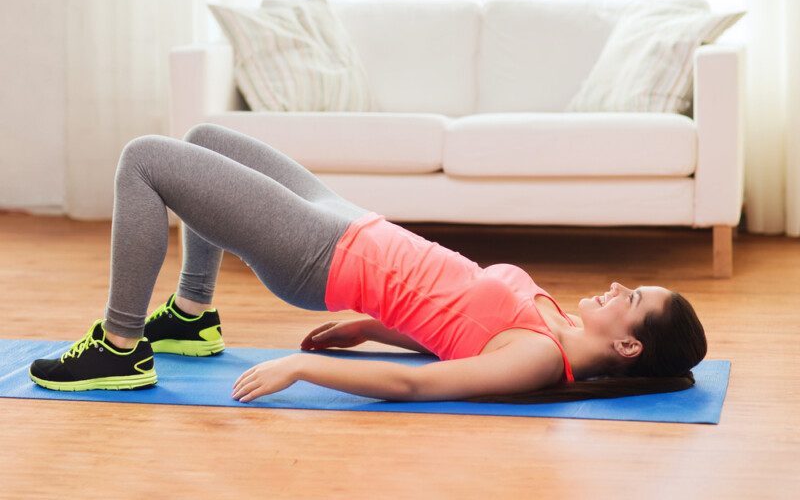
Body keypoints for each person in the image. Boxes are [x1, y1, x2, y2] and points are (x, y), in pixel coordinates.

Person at [29, 124, 707, 404]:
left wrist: (304, 366)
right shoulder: (555, 320)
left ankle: (120, 348)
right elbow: (455, 328)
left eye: (633, 296)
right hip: (349, 219)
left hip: (318, 254)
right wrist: (373, 329)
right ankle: (190, 316)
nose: (619, 286)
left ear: (626, 342)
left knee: (145, 159)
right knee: (206, 139)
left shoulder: (538, 360)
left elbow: (420, 386)